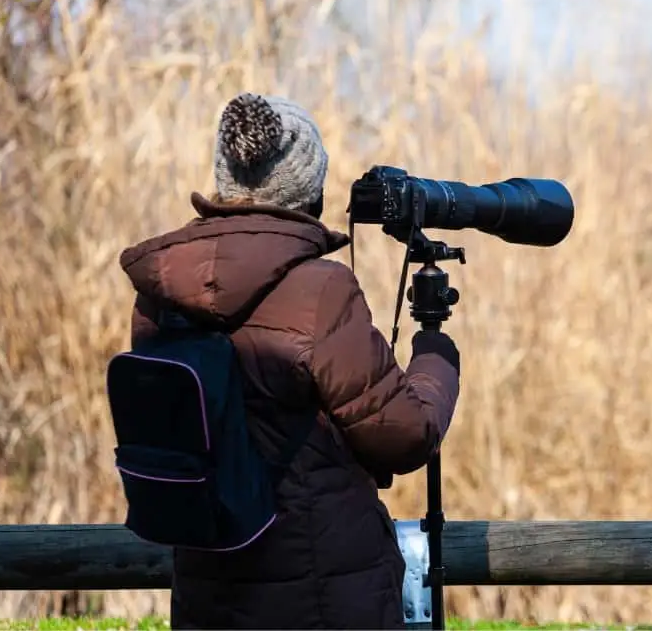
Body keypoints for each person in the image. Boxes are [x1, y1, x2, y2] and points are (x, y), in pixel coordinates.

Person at [117, 93, 461, 629]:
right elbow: (404, 435)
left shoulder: (161, 292)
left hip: (207, 593)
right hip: (324, 597)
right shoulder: (318, 291)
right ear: (310, 190)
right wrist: (437, 360)